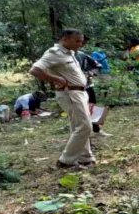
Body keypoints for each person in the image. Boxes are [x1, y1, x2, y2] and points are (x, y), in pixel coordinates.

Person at [29, 29, 95, 169]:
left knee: (78, 125)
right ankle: (66, 161)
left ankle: (85, 158)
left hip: (79, 93)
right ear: (65, 39)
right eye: (77, 41)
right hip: (70, 93)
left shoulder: (69, 53)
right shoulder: (54, 53)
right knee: (85, 126)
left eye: (81, 41)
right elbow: (35, 70)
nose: (80, 44)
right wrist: (54, 78)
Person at [77, 36, 112, 138]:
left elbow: (97, 65)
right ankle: (82, 134)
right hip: (73, 89)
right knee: (80, 111)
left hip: (87, 85)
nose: (81, 44)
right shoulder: (63, 56)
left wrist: (91, 73)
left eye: (83, 42)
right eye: (79, 41)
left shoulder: (82, 55)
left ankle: (96, 130)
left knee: (93, 107)